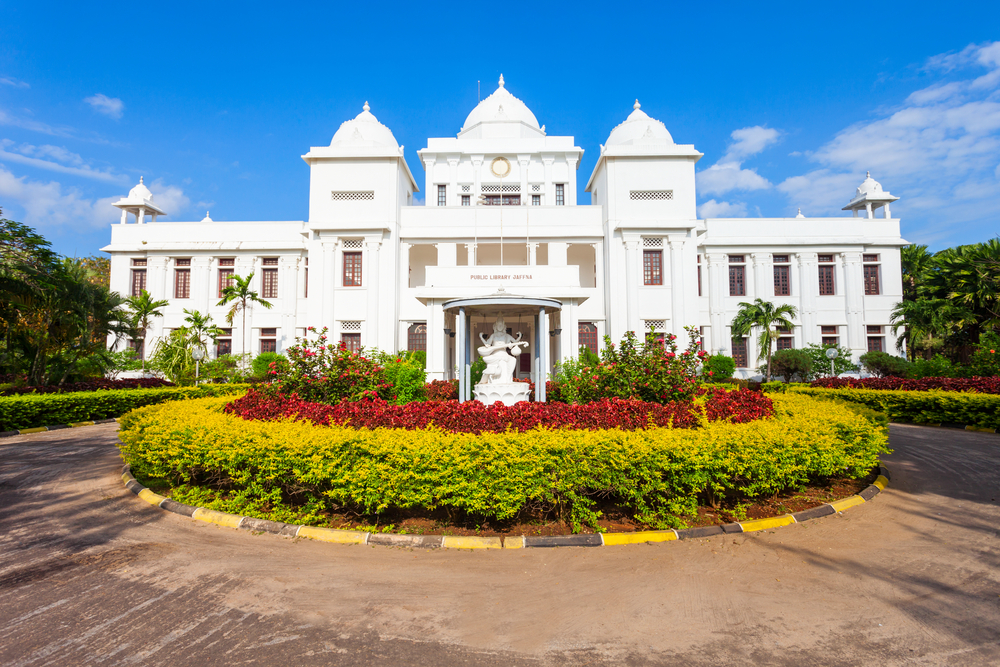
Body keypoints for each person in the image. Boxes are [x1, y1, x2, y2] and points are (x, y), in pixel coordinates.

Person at [477, 316, 528, 384]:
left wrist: (520, 337)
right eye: (498, 325)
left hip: (504, 354)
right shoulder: (493, 335)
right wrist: (481, 337)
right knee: (486, 358)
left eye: (501, 325)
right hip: (495, 354)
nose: (500, 327)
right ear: (495, 326)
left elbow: (515, 342)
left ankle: (508, 379)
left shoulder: (507, 335)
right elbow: (487, 345)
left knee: (513, 360)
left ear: (504, 326)